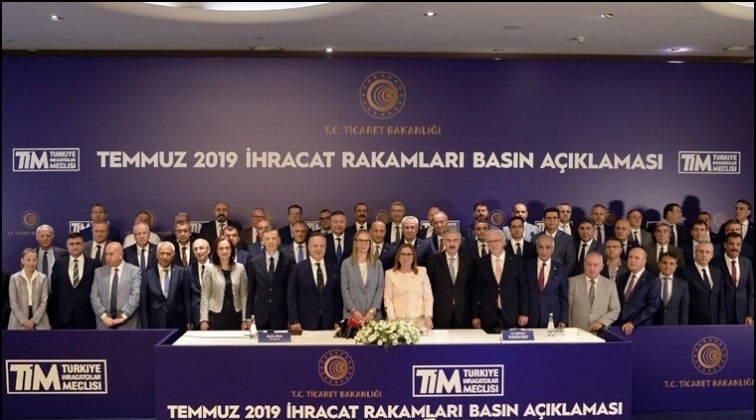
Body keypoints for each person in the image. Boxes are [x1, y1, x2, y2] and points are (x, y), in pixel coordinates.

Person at [473, 229, 528, 332]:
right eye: (490, 242)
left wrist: (523, 313)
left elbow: (523, 289)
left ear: (503, 242)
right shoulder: (481, 263)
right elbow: (477, 291)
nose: (493, 244)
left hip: (511, 313)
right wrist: (476, 315)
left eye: (496, 241)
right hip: (488, 314)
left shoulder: (516, 261)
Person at [287, 233, 342, 331]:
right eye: (315, 246)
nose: (318, 249)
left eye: (322, 246)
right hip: (305, 322)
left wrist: (337, 321)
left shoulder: (334, 268)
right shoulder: (298, 269)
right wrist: (294, 321)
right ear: (309, 247)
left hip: (329, 322)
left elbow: (337, 296)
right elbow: (291, 297)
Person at [49, 233, 101, 329]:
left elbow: (98, 291)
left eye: (78, 243)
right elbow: (55, 289)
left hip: (87, 316)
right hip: (64, 316)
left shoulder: (94, 264)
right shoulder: (59, 264)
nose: (75, 247)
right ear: (67, 246)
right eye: (71, 244)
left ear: (83, 245)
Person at [427, 227, 475, 329]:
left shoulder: (469, 261)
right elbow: (429, 289)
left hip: (463, 314)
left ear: (460, 242)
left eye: (455, 240)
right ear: (443, 241)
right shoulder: (434, 260)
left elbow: (473, 289)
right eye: (448, 240)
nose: (452, 244)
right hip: (440, 313)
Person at [246, 229, 294, 330]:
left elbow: (291, 292)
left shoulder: (289, 262)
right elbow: (251, 291)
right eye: (267, 239)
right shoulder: (254, 263)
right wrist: (248, 317)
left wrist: (293, 318)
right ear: (263, 241)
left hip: (282, 316)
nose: (270, 241)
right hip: (260, 315)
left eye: (273, 238)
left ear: (279, 240)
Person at [199, 236, 248, 330]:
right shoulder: (209, 269)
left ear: (232, 250)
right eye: (221, 248)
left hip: (236, 315)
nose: (224, 251)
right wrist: (204, 320)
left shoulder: (240, 268)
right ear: (216, 251)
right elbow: (205, 295)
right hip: (215, 316)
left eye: (227, 248)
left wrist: (244, 319)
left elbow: (244, 296)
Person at [140, 242, 191, 331]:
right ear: (157, 254)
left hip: (177, 321)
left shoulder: (181, 272)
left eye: (168, 254)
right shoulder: (147, 275)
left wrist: (188, 320)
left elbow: (186, 298)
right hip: (155, 322)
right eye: (162, 253)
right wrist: (145, 327)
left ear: (173, 256)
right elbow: (144, 304)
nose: (165, 257)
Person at [90, 242, 142, 329]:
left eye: (111, 254)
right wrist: (103, 316)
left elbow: (135, 296)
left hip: (128, 323)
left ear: (120, 255)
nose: (107, 257)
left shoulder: (134, 271)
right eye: (106, 254)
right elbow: (94, 296)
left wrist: (123, 316)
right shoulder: (99, 272)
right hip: (104, 323)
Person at [383, 243, 434, 331]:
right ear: (398, 257)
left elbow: (428, 297)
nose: (405, 257)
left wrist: (428, 317)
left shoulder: (422, 272)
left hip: (420, 321)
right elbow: (388, 298)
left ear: (413, 257)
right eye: (402, 254)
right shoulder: (390, 274)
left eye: (409, 254)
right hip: (398, 322)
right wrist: (392, 320)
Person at [568, 252, 620, 332]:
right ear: (584, 265)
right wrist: (569, 331)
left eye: (595, 265)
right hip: (576, 332)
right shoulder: (572, 282)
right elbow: (568, 309)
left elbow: (615, 310)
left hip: (600, 332)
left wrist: (601, 322)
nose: (592, 268)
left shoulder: (610, 285)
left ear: (601, 267)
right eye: (589, 264)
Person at [613, 248, 661, 335]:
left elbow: (653, 305)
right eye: (630, 257)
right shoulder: (622, 277)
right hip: (619, 326)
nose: (632, 260)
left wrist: (633, 323)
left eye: (636, 258)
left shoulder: (652, 280)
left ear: (644, 261)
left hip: (640, 327)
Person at [341, 230, 384, 325]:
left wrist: (372, 311)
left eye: (366, 241)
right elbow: (345, 289)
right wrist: (353, 311)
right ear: (355, 243)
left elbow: (380, 288)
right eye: (360, 240)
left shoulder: (377, 264)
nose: (363, 244)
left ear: (370, 243)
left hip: (373, 316)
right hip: (352, 316)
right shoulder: (346, 264)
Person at [526, 235, 569, 328]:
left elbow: (564, 297)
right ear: (537, 249)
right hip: (530, 318)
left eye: (548, 247)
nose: (544, 251)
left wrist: (563, 319)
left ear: (553, 249)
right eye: (541, 247)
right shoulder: (526, 267)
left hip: (552, 319)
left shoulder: (561, 269)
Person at [679, 241, 725, 325]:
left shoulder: (717, 273)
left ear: (712, 255)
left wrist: (721, 323)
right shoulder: (685, 273)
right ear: (695, 252)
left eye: (707, 252)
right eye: (701, 251)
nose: (704, 255)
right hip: (694, 322)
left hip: (714, 322)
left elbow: (721, 299)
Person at [713, 232, 754, 325]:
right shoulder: (715, 264)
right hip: (722, 315)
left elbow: (751, 291)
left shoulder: (747, 263)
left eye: (738, 244)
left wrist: (750, 314)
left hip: (743, 315)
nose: (735, 247)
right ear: (725, 245)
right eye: (731, 244)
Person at [8, 248, 51, 330]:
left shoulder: (43, 278)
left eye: (34, 260)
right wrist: (24, 321)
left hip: (39, 319)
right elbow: (13, 302)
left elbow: (44, 302)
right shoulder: (14, 278)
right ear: (22, 260)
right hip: (18, 321)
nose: (31, 263)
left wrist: (33, 321)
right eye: (28, 260)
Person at [534, 207, 576, 275]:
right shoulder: (536, 238)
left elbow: (571, 262)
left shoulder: (567, 239)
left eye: (555, 218)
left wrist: (561, 277)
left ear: (559, 220)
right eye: (548, 218)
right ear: (543, 220)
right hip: (539, 276)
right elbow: (532, 260)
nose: (552, 220)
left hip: (560, 277)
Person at [652, 252, 689, 325]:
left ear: (676, 267)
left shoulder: (682, 284)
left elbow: (684, 310)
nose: (667, 266)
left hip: (673, 326)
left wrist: (683, 329)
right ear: (659, 264)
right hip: (653, 325)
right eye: (664, 263)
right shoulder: (651, 281)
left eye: (671, 264)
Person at [188, 238, 211, 330]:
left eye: (201, 248)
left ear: (208, 250)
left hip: (216, 316)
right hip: (196, 318)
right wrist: (189, 319)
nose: (198, 251)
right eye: (195, 249)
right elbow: (187, 297)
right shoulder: (188, 271)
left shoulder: (218, 267)